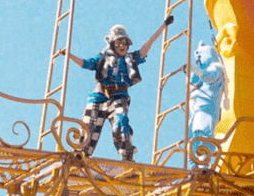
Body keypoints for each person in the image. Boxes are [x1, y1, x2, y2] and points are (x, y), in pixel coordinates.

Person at [66, 15, 173, 161]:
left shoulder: (130, 59)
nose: (122, 46)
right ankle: (80, 155)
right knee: (89, 126)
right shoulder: (103, 57)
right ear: (112, 44)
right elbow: (86, 64)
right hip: (99, 96)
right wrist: (68, 55)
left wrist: (163, 26)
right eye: (118, 43)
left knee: (122, 121)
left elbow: (148, 44)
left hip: (119, 96)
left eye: (124, 42)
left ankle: (126, 154)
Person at [188, 40, 228, 161]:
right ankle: (193, 166)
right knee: (193, 139)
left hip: (207, 109)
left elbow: (209, 77)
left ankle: (203, 164)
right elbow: (193, 83)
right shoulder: (203, 69)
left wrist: (195, 69)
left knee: (204, 138)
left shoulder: (216, 67)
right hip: (198, 110)